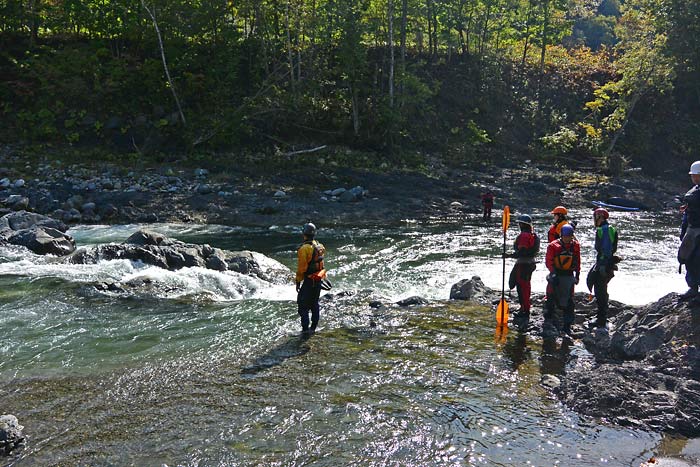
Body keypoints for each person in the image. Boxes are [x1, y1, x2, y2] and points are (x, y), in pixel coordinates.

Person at [544, 224, 581, 336]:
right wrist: (553, 274)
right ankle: (549, 319)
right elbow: (549, 261)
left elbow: (578, 260)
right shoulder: (553, 246)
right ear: (561, 235)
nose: (567, 239)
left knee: (569, 300)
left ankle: (567, 325)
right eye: (565, 236)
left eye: (569, 236)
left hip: (568, 275)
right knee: (551, 295)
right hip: (556, 274)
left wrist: (577, 274)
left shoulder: (575, 246)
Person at [505, 214, 540, 327]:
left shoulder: (524, 236)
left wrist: (509, 255)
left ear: (522, 224)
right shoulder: (532, 235)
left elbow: (522, 252)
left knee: (522, 287)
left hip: (523, 265)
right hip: (529, 264)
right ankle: (525, 308)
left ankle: (524, 310)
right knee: (525, 286)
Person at [587, 208, 618, 328]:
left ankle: (601, 320)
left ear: (600, 217)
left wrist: (603, 265)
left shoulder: (603, 230)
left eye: (595, 217)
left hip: (604, 263)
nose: (594, 219)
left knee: (600, 291)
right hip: (607, 262)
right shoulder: (610, 229)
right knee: (601, 289)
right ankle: (602, 317)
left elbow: (605, 248)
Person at [296, 222, 326, 335]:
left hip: (309, 281)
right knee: (314, 303)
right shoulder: (320, 246)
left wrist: (298, 282)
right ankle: (313, 328)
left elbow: (301, 269)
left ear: (304, 234)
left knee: (302, 305)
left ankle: (305, 330)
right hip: (318, 280)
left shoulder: (304, 249)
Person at [678, 160, 700, 301]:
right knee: (687, 257)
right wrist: (683, 231)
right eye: (692, 175)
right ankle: (692, 288)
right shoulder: (692, 192)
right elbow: (687, 214)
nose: (693, 177)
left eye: (695, 175)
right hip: (692, 229)